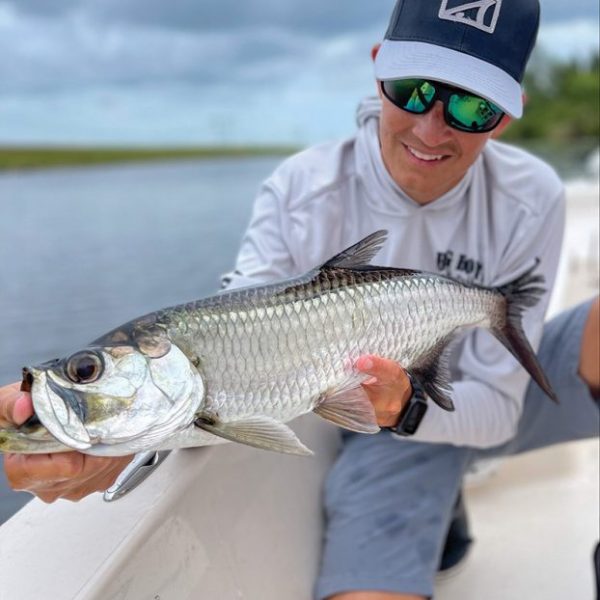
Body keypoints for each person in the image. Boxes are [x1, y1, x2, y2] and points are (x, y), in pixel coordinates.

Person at [0, 0, 598, 597]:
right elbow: (229, 344)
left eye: (472, 106)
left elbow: (500, 409)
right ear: (378, 71)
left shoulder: (532, 195)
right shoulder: (300, 189)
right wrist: (114, 444)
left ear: (504, 117)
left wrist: (412, 405)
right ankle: (435, 503)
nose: (431, 128)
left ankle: (446, 501)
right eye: (413, 89)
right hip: (381, 438)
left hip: (491, 396)